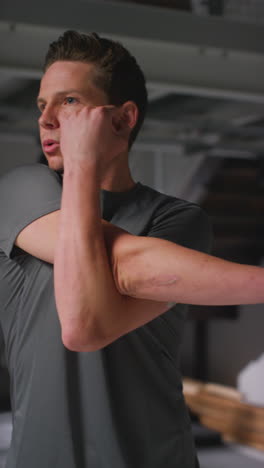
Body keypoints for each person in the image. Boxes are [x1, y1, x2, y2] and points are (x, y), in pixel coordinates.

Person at [0, 30, 263, 468]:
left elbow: (100, 305)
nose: (46, 119)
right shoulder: (20, 190)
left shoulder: (179, 220)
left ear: (122, 119)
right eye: (41, 105)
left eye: (67, 103)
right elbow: (90, 317)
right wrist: (83, 162)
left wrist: (83, 163)